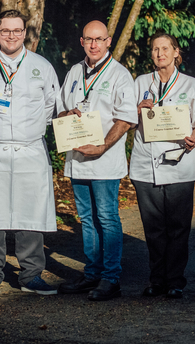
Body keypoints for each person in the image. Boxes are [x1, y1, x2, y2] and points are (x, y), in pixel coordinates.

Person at [0, 10, 60, 297]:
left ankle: (31, 273)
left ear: (26, 33)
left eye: (17, 30)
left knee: (30, 211)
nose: (12, 35)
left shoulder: (42, 66)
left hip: (29, 148)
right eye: (5, 30)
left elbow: (50, 106)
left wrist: (28, 129)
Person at [56, 20, 137, 301]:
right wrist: (67, 115)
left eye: (99, 39)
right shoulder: (75, 71)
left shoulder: (120, 75)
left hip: (104, 160)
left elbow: (126, 119)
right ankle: (91, 274)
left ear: (108, 41)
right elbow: (61, 108)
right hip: (78, 157)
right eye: (88, 39)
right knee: (87, 219)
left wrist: (102, 146)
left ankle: (110, 278)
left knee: (107, 218)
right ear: (82, 42)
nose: (93, 44)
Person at [129, 32, 195, 299]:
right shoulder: (139, 82)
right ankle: (156, 280)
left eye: (165, 48)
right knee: (153, 228)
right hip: (145, 165)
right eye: (155, 49)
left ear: (176, 52)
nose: (160, 53)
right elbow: (125, 117)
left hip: (179, 164)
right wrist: (137, 109)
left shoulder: (192, 85)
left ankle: (175, 280)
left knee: (178, 226)